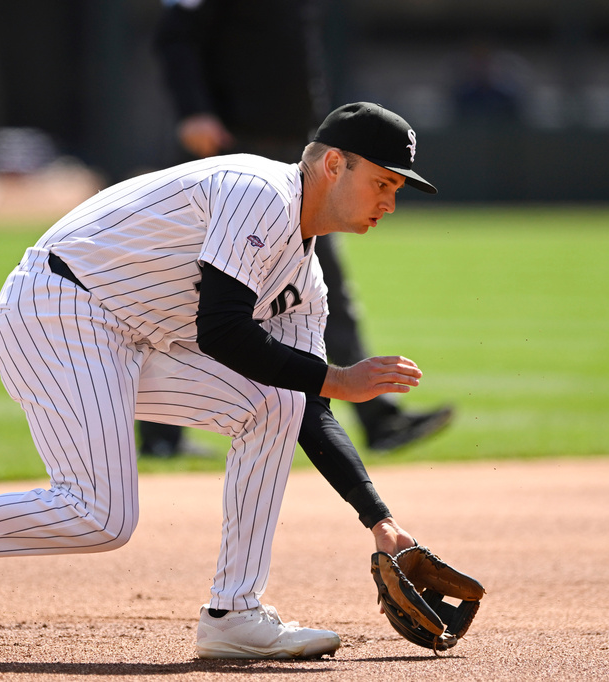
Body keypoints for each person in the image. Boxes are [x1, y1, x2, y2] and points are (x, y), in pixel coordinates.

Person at [0, 102, 438, 660]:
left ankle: (234, 614)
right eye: (383, 182)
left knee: (277, 403)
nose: (390, 200)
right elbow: (224, 331)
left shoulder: (306, 284)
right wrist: (337, 377)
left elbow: (307, 402)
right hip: (55, 309)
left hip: (128, 339)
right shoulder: (261, 191)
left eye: (397, 188)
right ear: (334, 164)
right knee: (100, 515)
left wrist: (380, 521)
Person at [139, 0, 453, 457]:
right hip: (236, 153)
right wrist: (193, 110)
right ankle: (161, 437)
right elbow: (174, 33)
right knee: (187, 285)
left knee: (323, 287)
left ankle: (378, 418)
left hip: (293, 150)